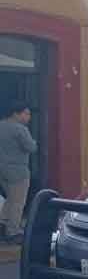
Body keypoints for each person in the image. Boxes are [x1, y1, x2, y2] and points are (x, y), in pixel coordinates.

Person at [1, 101, 36, 243]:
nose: (29, 117)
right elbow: (31, 147)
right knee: (17, 202)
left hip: (2, 170)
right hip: (18, 171)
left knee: (10, 199)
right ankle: (13, 232)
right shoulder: (20, 129)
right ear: (16, 114)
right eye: (26, 113)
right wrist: (35, 142)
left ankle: (3, 224)